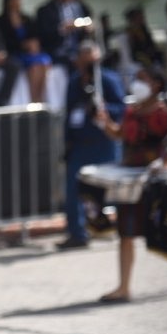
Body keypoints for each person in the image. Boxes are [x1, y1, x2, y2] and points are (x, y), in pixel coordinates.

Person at [95, 67, 167, 302]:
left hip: (157, 181)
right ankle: (123, 287)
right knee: (126, 232)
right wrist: (105, 123)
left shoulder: (165, 115)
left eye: (143, 79)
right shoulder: (132, 112)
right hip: (130, 179)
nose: (137, 83)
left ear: (156, 85)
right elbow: (119, 135)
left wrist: (165, 161)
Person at [57, 40, 126, 250]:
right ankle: (78, 233)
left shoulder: (108, 79)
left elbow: (120, 108)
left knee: (115, 190)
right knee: (74, 190)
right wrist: (67, 142)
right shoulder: (74, 81)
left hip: (104, 142)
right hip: (80, 144)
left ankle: (124, 229)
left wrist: (104, 110)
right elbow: (69, 113)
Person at [0, 0, 52, 103]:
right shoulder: (1, 21)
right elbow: (4, 41)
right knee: (35, 67)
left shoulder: (26, 18)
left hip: (30, 53)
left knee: (43, 62)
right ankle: (34, 99)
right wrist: (22, 45)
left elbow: (34, 34)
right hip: (15, 53)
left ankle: (40, 97)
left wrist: (33, 44)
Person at [36, 0, 92, 71]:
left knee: (92, 56)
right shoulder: (45, 10)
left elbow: (87, 22)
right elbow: (43, 34)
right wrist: (63, 28)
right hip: (57, 50)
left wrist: (87, 26)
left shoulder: (77, 7)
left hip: (77, 47)